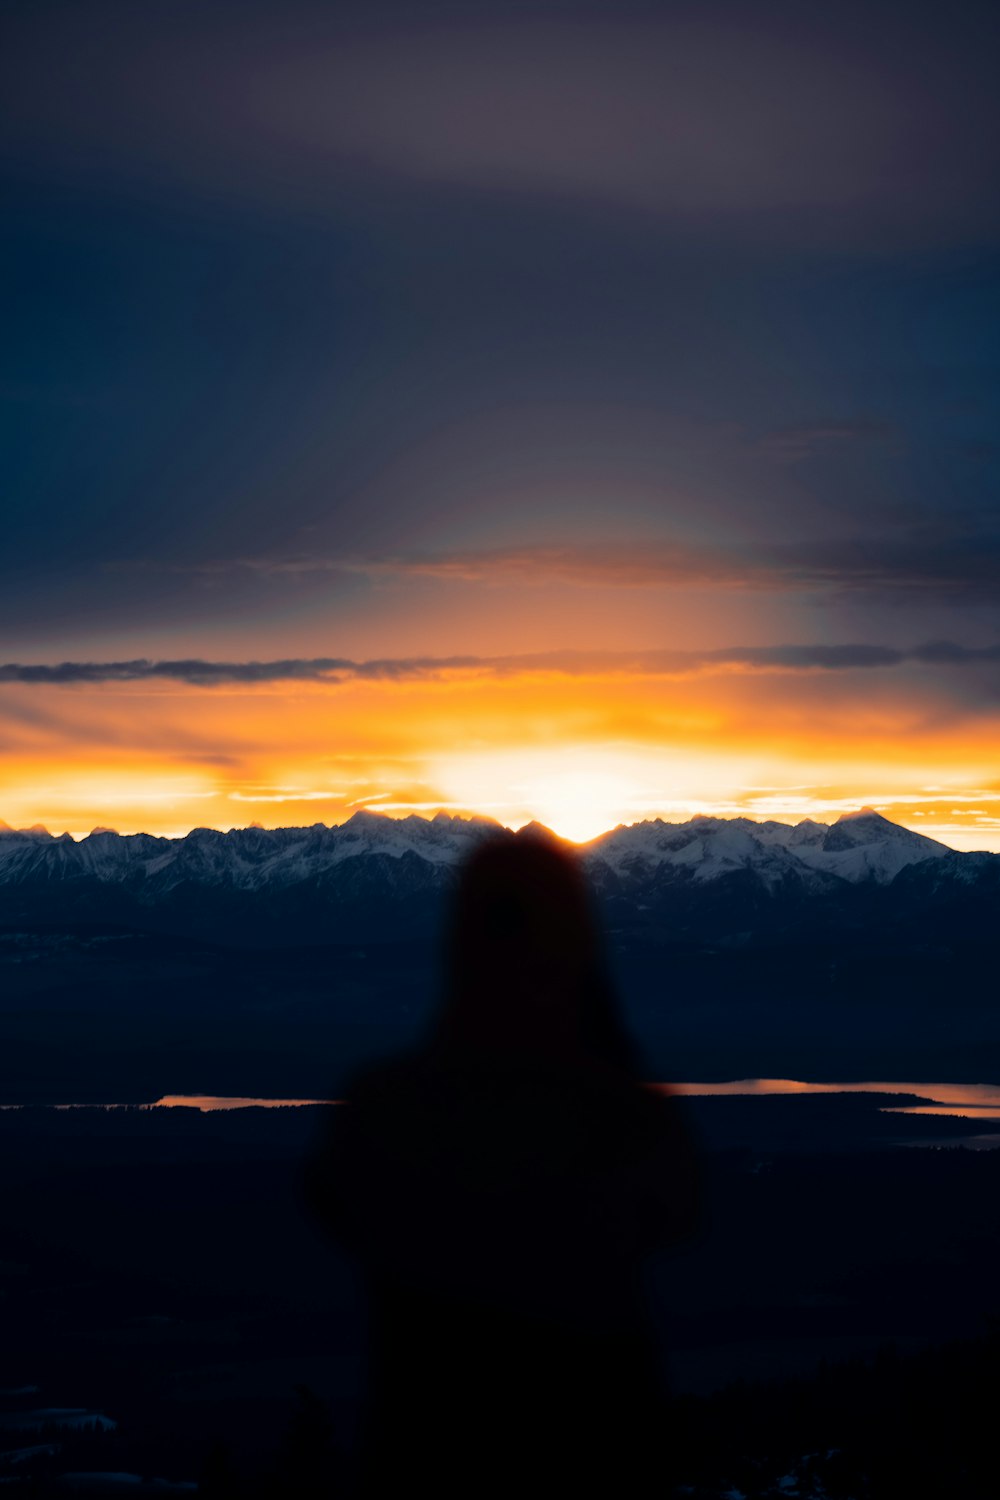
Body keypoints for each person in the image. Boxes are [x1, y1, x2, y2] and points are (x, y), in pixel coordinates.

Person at [307, 831, 699, 1497]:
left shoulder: (384, 1104)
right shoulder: (622, 1111)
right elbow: (678, 1213)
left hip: (430, 1448)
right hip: (599, 1448)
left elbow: (333, 1203)